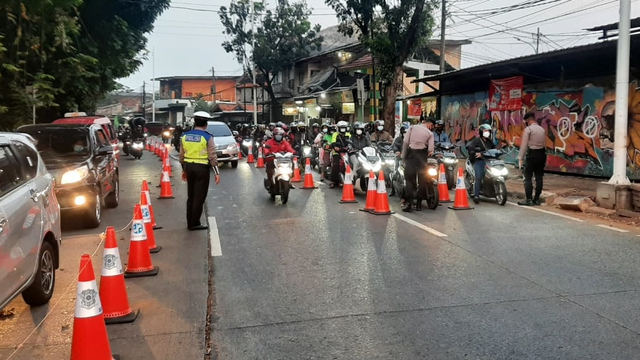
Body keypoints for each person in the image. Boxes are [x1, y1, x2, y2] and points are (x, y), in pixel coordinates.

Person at [179, 111, 220, 231]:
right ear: (206, 124)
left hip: (189, 167)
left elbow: (181, 155)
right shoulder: (207, 136)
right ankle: (195, 223)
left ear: (195, 122)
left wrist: (183, 170)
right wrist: (217, 172)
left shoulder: (185, 136)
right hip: (201, 168)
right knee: (199, 197)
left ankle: (189, 222)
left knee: (191, 196)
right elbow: (212, 155)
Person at [401, 116, 435, 212]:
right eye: (432, 126)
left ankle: (409, 202)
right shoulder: (430, 133)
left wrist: (403, 157)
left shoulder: (412, 128)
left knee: (409, 179)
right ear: (429, 125)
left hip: (411, 155)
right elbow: (430, 150)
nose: (431, 127)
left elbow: (405, 142)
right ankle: (419, 204)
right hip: (422, 157)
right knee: (422, 179)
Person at [517, 112, 547, 206]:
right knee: (539, 177)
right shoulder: (542, 129)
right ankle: (537, 199)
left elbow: (524, 145)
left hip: (532, 155)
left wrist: (520, 158)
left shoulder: (528, 129)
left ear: (528, 120)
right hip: (541, 155)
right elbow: (544, 144)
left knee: (528, 177)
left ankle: (529, 199)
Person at [466, 123, 495, 204]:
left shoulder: (490, 141)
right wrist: (475, 153)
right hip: (480, 161)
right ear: (481, 131)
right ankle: (476, 195)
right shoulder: (477, 140)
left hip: (489, 161)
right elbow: (471, 149)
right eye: (485, 130)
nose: (487, 132)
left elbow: (494, 149)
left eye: (488, 131)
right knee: (478, 176)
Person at [330, 121, 351, 189]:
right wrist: (336, 148)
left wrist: (349, 148)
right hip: (337, 152)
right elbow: (333, 143)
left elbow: (351, 142)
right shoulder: (335, 134)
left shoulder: (348, 134)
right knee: (336, 164)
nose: (342, 129)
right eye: (341, 127)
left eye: (344, 127)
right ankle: (333, 181)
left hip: (347, 151)